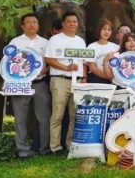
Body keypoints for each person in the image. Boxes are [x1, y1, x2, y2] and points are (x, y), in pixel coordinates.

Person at [8, 13, 51, 158]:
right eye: (28, 22)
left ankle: (44, 149)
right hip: (20, 84)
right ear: (22, 26)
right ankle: (23, 150)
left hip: (40, 84)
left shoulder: (45, 43)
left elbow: (50, 61)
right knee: (20, 118)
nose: (32, 24)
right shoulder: (15, 42)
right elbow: (8, 62)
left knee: (44, 117)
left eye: (35, 22)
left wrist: (45, 70)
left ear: (38, 25)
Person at [44, 12, 86, 155]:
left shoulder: (81, 41)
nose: (72, 24)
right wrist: (66, 68)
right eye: (69, 21)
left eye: (74, 21)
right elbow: (49, 59)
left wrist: (84, 77)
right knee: (57, 115)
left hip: (78, 81)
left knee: (75, 115)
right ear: (63, 23)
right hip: (60, 80)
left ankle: (70, 144)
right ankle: (55, 146)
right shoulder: (55, 39)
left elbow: (84, 62)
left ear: (77, 24)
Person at [86, 20, 119, 84]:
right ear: (99, 30)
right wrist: (107, 77)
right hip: (96, 79)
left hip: (112, 80)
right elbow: (92, 68)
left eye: (109, 30)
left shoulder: (115, 47)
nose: (106, 32)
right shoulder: (91, 46)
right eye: (104, 29)